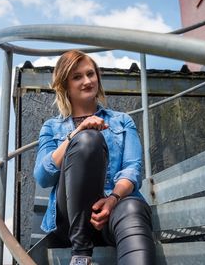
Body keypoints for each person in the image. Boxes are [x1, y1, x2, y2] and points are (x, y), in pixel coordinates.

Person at [33, 50, 155, 265]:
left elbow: (131, 169)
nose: (87, 81)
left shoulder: (122, 121)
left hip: (113, 211)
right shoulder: (51, 127)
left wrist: (112, 199)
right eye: (77, 76)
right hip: (71, 222)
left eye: (91, 74)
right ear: (65, 86)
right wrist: (76, 133)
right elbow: (43, 177)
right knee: (88, 139)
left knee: (133, 206)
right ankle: (80, 255)